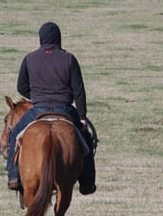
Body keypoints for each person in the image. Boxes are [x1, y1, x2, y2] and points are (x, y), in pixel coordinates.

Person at [6, 21, 96, 195]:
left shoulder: (29, 58)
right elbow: (79, 92)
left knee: (14, 135)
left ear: (41, 38)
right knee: (86, 139)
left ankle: (13, 176)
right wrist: (82, 116)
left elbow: (21, 87)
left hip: (38, 109)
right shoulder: (69, 59)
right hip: (65, 109)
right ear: (58, 38)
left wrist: (36, 96)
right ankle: (87, 182)